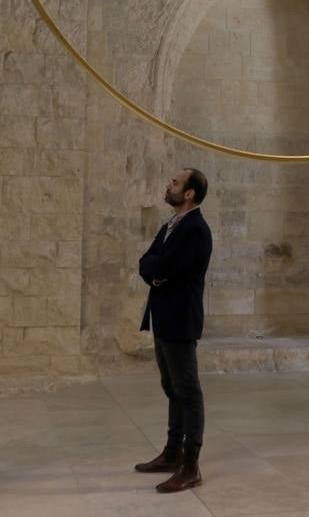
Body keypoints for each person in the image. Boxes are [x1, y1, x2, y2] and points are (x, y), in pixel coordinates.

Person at [135, 167, 213, 494]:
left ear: (189, 193)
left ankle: (190, 465)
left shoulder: (195, 229)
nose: (170, 185)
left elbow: (167, 267)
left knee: (188, 390)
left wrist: (157, 270)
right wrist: (156, 272)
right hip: (164, 317)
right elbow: (147, 261)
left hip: (180, 319)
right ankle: (172, 451)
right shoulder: (171, 224)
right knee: (171, 387)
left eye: (176, 182)